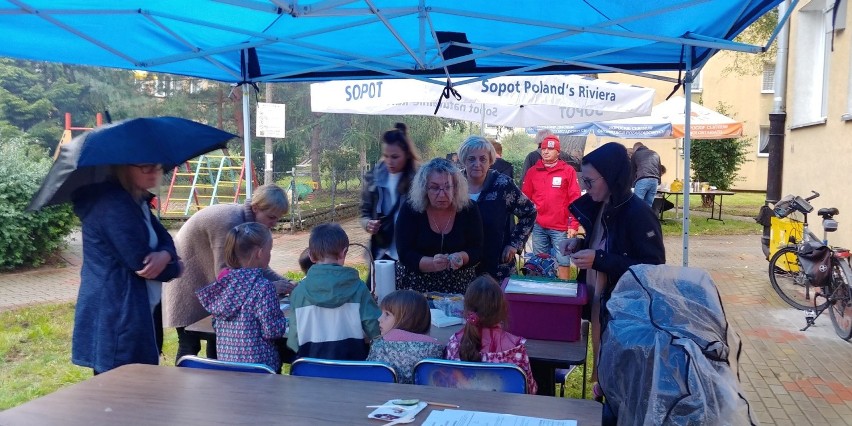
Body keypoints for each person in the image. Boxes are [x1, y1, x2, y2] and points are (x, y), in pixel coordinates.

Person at [559, 142, 666, 401]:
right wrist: (581, 244)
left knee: (620, 374)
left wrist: (599, 259)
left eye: (590, 180)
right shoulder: (602, 205)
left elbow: (652, 267)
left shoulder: (638, 214)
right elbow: (605, 243)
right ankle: (603, 394)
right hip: (602, 305)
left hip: (623, 311)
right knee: (605, 365)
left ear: (610, 177)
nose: (586, 186)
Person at [71, 164, 182, 374]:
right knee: (122, 389)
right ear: (124, 169)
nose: (154, 173)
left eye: (157, 167)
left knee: (138, 386)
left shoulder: (136, 200)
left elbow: (165, 238)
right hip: (118, 314)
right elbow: (142, 263)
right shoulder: (113, 205)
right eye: (145, 167)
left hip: (136, 308)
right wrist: (175, 266)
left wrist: (166, 255)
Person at [162, 184, 293, 363]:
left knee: (218, 340)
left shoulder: (246, 226)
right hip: (188, 282)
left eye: (277, 219)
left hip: (209, 285)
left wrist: (287, 283)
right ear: (255, 208)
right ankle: (185, 389)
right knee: (189, 344)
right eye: (271, 217)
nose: (274, 224)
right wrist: (270, 287)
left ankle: (219, 383)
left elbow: (254, 266)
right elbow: (225, 274)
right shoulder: (229, 223)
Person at [195, 222, 288, 372]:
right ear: (259, 253)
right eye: (269, 251)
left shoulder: (223, 284)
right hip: (261, 368)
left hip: (228, 366)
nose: (270, 255)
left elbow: (216, 323)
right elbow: (272, 331)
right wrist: (284, 321)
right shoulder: (264, 287)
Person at [287, 223, 381, 360]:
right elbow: (376, 330)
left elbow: (293, 341)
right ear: (344, 253)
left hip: (310, 374)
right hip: (353, 372)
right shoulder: (359, 288)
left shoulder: (298, 292)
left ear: (311, 256)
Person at [395, 158, 483, 294]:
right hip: (417, 285)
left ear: (456, 187)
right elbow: (404, 253)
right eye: (435, 187)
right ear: (425, 188)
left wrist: (461, 257)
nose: (442, 194)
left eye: (448, 187)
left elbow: (477, 249)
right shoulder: (411, 209)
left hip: (460, 286)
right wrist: (432, 264)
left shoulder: (469, 209)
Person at [460, 136, 536, 281]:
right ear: (464, 160)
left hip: (497, 265)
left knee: (496, 304)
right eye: (471, 159)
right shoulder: (454, 184)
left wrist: (514, 244)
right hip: (462, 267)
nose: (477, 164)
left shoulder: (502, 185)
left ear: (491, 161)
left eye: (483, 159)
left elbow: (529, 212)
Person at [445, 275, 538, 394]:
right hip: (505, 411)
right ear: (503, 309)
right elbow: (530, 390)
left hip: (461, 409)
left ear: (466, 309)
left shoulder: (454, 343)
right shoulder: (516, 349)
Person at [521, 134, 581, 280]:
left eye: (550, 149)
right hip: (538, 225)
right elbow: (525, 198)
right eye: (543, 148)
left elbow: (575, 198)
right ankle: (541, 294)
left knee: (563, 261)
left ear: (558, 153)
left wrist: (573, 224)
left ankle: (564, 294)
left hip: (560, 226)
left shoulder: (568, 171)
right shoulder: (533, 172)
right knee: (540, 262)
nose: (545, 151)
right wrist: (526, 222)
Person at [360, 123, 421, 263]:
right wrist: (368, 223)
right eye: (385, 156)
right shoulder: (373, 177)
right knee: (373, 285)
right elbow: (364, 212)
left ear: (407, 155)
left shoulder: (419, 179)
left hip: (410, 252)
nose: (389, 162)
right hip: (381, 252)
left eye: (394, 157)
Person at [366, 290, 445, 384]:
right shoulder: (436, 349)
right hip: (424, 398)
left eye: (387, 314)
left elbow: (369, 377)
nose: (379, 319)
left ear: (406, 319)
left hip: (384, 397)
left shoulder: (379, 346)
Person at [631, 142, 662, 206]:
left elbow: (632, 171)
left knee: (637, 203)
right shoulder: (655, 153)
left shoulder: (636, 154)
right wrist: (659, 181)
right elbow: (659, 169)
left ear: (635, 148)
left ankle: (637, 216)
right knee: (648, 205)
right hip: (655, 181)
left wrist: (631, 185)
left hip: (643, 179)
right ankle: (647, 216)